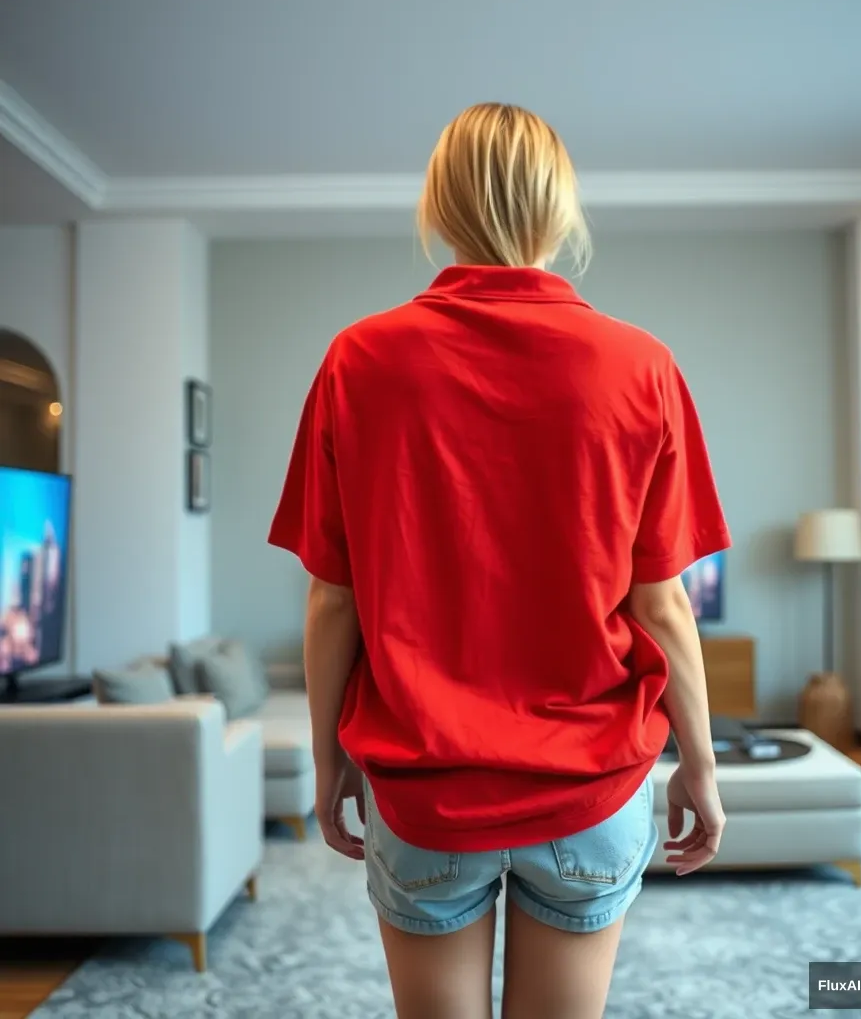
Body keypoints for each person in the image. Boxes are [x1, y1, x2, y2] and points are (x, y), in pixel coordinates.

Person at [269, 102, 731, 1019]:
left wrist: (325, 765)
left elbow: (332, 602)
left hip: (425, 790)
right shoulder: (642, 366)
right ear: (559, 213)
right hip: (589, 787)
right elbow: (663, 604)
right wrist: (702, 767)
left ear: (439, 209)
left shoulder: (358, 361)